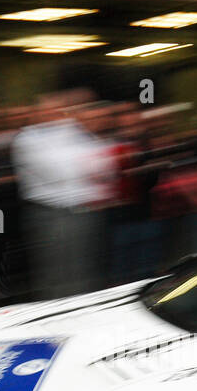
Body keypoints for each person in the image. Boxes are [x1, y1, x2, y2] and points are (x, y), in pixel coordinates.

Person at [10, 89, 116, 299]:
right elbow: (60, 173)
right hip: (51, 214)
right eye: (51, 110)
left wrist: (88, 168)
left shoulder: (76, 132)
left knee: (86, 271)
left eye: (61, 110)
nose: (58, 114)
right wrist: (87, 168)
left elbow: (107, 167)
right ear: (38, 112)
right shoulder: (27, 139)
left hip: (85, 211)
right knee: (55, 275)